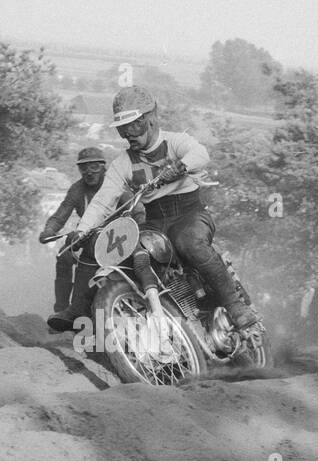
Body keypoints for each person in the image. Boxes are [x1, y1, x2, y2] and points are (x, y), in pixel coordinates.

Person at [76, 86, 258, 330]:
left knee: (188, 242)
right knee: (134, 253)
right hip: (155, 221)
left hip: (190, 213)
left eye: (134, 126)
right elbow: (102, 200)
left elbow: (200, 154)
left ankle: (235, 305)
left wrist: (181, 167)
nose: (129, 135)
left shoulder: (175, 142)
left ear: (151, 120)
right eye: (123, 129)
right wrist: (81, 230)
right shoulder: (122, 164)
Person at [41, 146, 107, 331]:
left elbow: (136, 208)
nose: (89, 172)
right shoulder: (77, 189)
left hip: (118, 234)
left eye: (94, 167)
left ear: (103, 167)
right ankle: (62, 310)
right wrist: (49, 230)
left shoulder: (115, 183)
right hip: (88, 237)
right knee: (64, 256)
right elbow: (61, 213)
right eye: (83, 168)